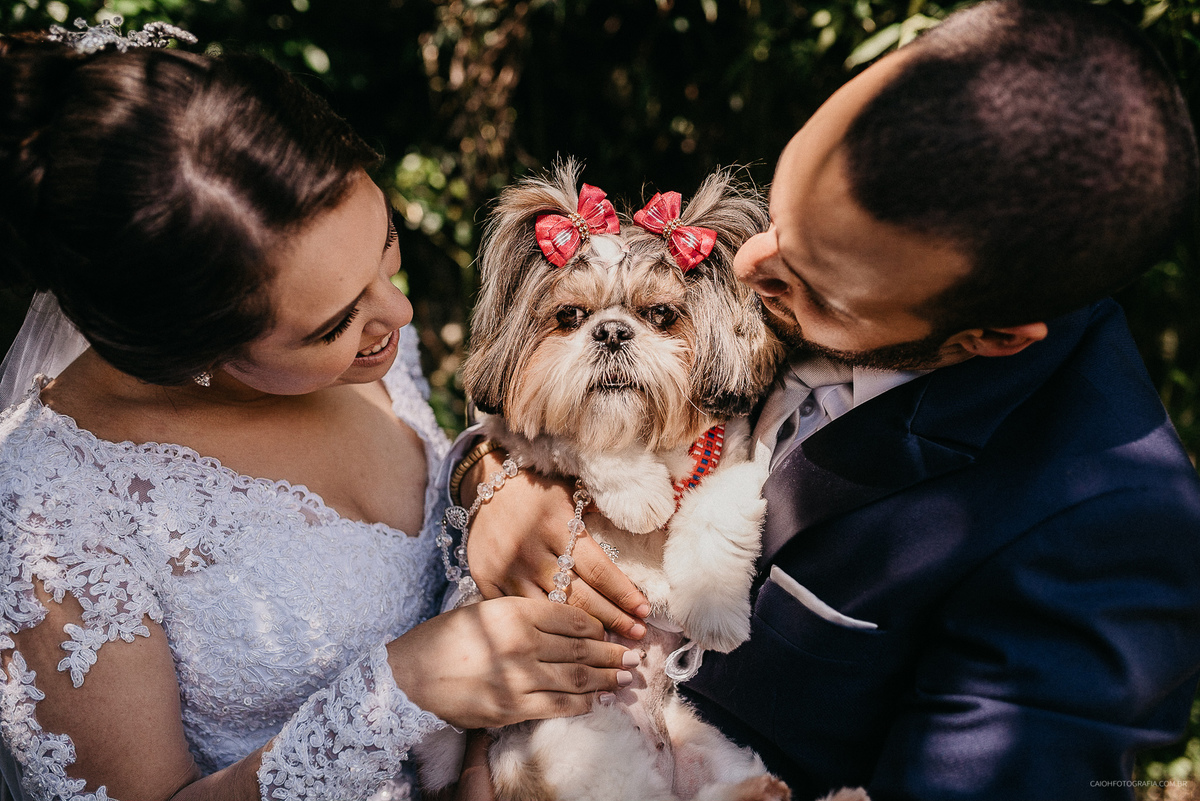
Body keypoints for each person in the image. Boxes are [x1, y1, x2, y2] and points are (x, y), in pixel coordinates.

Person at [458, 0, 1200, 798]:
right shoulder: (841, 226)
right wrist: (495, 480)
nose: (749, 271)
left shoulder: (1107, 531)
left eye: (810, 283)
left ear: (989, 338)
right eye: (775, 218)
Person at [0, 25, 638, 801]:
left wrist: (484, 481)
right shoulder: (54, 512)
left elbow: (435, 479)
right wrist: (400, 692)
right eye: (333, 324)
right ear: (188, 353)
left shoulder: (372, 341)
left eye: (387, 247)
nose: (397, 312)